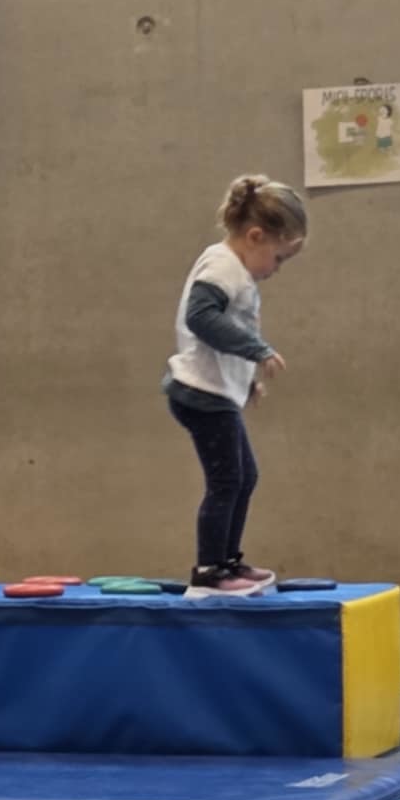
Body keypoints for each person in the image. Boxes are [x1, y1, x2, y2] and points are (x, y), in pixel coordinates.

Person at [163, 175, 308, 596]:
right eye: (278, 258)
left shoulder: (236, 270)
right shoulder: (223, 265)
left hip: (215, 393)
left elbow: (221, 339)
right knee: (227, 480)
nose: (276, 270)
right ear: (255, 236)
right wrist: (256, 350)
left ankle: (227, 561)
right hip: (199, 394)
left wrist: (245, 385)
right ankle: (210, 570)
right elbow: (201, 318)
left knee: (244, 476)